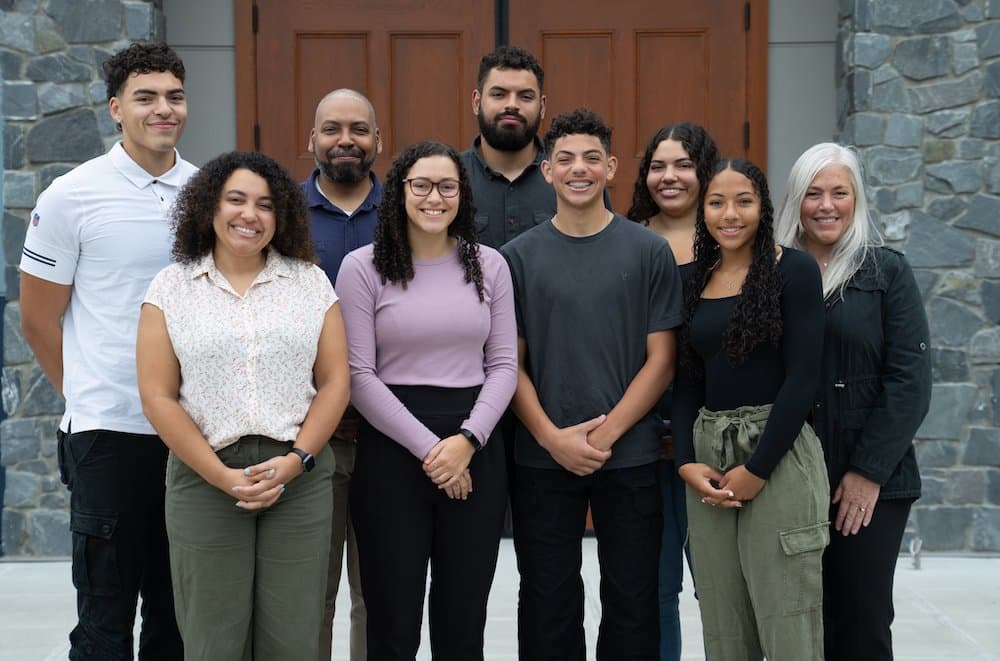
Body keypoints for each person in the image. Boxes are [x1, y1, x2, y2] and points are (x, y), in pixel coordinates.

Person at [136, 151, 349, 660]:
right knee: (213, 642)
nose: (249, 214)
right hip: (204, 477)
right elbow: (158, 396)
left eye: (265, 204)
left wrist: (297, 460)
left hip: (297, 474)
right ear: (209, 206)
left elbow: (336, 379)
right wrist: (221, 476)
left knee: (293, 640)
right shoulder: (172, 287)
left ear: (282, 217)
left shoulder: (309, 283)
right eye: (236, 199)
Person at [19, 41, 193, 661]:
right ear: (116, 108)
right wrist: (88, 394)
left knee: (178, 621)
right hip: (107, 434)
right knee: (104, 618)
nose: (162, 109)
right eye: (145, 98)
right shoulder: (72, 195)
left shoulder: (209, 194)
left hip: (193, 436)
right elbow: (38, 318)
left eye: (173, 96)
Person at [501, 108, 682, 660]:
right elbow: (510, 363)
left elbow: (662, 359)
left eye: (590, 158)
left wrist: (604, 437)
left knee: (632, 599)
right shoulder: (517, 258)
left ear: (610, 168)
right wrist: (554, 439)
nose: (577, 169)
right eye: (564, 159)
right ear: (546, 171)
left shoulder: (648, 251)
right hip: (540, 457)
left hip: (630, 457)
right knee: (546, 599)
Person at [336, 140, 517, 660]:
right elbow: (359, 374)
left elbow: (504, 365)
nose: (434, 197)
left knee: (463, 617)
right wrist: (432, 451)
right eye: (421, 185)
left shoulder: (490, 266)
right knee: (391, 618)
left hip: (475, 447)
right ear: (400, 192)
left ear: (462, 195)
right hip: (392, 451)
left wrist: (466, 440)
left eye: (447, 186)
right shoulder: (362, 267)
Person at [775, 143, 931, 661]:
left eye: (839, 192)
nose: (826, 205)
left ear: (857, 198)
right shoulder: (770, 275)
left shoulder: (887, 273)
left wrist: (867, 472)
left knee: (861, 620)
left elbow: (910, 380)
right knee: (799, 622)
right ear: (796, 201)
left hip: (871, 480)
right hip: (790, 472)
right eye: (813, 193)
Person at [673, 158, 829, 661]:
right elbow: (685, 384)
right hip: (709, 456)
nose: (730, 214)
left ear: (763, 208)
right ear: (703, 211)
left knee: (787, 619)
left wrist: (758, 468)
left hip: (777, 453)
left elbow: (804, 378)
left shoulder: (795, 270)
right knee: (723, 620)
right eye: (716, 202)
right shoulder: (692, 279)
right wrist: (685, 462)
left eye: (744, 201)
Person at [626, 122, 719, 661]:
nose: (670, 177)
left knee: (721, 587)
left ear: (704, 171)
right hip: (644, 436)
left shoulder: (733, 239)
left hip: (718, 438)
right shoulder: (627, 238)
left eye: (683, 164)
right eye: (658, 166)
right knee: (656, 588)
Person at [304, 87, 382, 661]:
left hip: (389, 432)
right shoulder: (280, 215)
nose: (345, 140)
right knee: (310, 594)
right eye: (332, 129)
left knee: (378, 594)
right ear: (313, 140)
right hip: (310, 432)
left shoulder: (410, 212)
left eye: (358, 129)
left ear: (379, 141)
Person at [460, 45, 554, 249]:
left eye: (526, 97)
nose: (512, 105)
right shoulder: (450, 178)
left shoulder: (567, 176)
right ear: (477, 102)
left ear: (543, 106)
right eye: (499, 94)